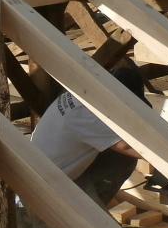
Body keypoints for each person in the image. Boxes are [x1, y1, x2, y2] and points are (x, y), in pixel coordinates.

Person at [30, 61, 147, 207]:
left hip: (49, 174)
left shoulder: (84, 92)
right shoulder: (90, 116)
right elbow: (130, 147)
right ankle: (88, 214)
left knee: (119, 156)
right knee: (123, 156)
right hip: (37, 195)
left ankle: (90, 205)